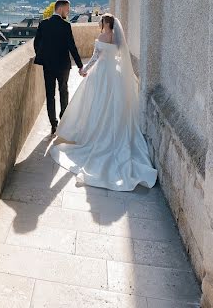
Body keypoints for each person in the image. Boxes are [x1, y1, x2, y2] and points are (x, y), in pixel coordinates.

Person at [49, 14, 157, 191]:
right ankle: (113, 130)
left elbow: (95, 57)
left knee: (95, 104)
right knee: (114, 104)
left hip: (101, 74)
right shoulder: (117, 38)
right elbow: (121, 57)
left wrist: (84, 70)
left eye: (101, 21)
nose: (99, 23)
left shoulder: (101, 37)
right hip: (115, 74)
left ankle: (94, 133)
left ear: (105, 23)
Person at [34, 0, 83, 135]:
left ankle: (53, 124)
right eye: (67, 9)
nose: (68, 12)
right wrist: (80, 65)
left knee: (50, 95)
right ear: (61, 8)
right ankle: (64, 119)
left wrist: (43, 57)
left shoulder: (43, 24)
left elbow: (37, 44)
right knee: (63, 91)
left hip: (48, 65)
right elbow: (72, 47)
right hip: (63, 66)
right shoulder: (66, 26)